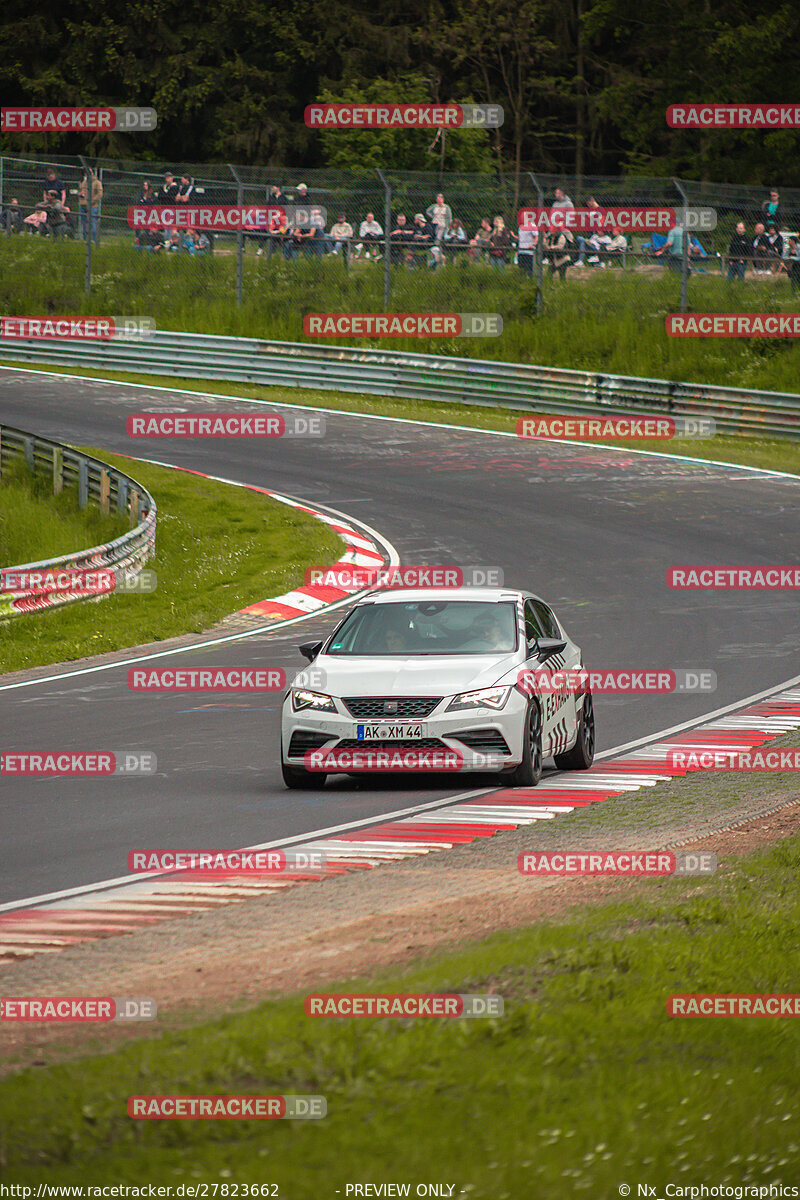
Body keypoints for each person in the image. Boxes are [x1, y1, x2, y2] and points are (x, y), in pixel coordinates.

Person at [574, 195, 601, 265]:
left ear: (592, 201)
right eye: (587, 204)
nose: (588, 205)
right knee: (580, 240)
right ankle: (581, 261)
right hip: (590, 237)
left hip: (596, 240)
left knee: (581, 240)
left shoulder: (600, 210)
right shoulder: (589, 211)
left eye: (589, 203)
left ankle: (581, 261)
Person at [78, 168, 102, 243]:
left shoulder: (97, 183)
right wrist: (80, 194)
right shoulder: (83, 183)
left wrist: (92, 201)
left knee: (93, 223)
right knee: (84, 223)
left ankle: (94, 240)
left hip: (92, 206)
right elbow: (80, 193)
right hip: (83, 206)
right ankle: (85, 240)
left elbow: (99, 194)